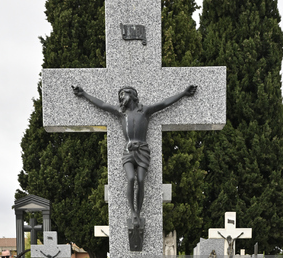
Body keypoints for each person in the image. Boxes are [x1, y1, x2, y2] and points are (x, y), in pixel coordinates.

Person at [72, 83, 196, 229]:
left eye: (122, 95)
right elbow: (103, 105)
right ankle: (133, 213)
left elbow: (164, 103)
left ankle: (138, 210)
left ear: (131, 94)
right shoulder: (121, 113)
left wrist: (183, 93)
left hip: (142, 150)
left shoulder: (145, 111)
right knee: (131, 178)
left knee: (141, 180)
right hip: (128, 151)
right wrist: (84, 94)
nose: (120, 99)